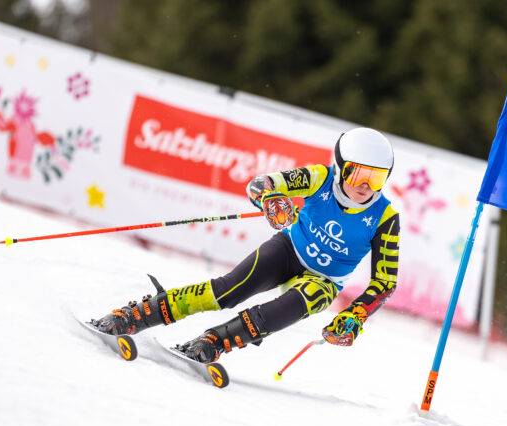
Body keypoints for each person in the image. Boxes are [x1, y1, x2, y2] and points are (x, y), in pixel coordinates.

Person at [91, 127, 400, 363]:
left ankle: (213, 342)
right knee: (227, 291)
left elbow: (385, 282)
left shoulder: (385, 217)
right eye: (358, 174)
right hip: (289, 250)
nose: (365, 186)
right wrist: (270, 199)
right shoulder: (320, 178)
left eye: (376, 179)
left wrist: (356, 315)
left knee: (288, 308)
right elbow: (261, 184)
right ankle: (138, 314)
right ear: (341, 167)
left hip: (324, 280)